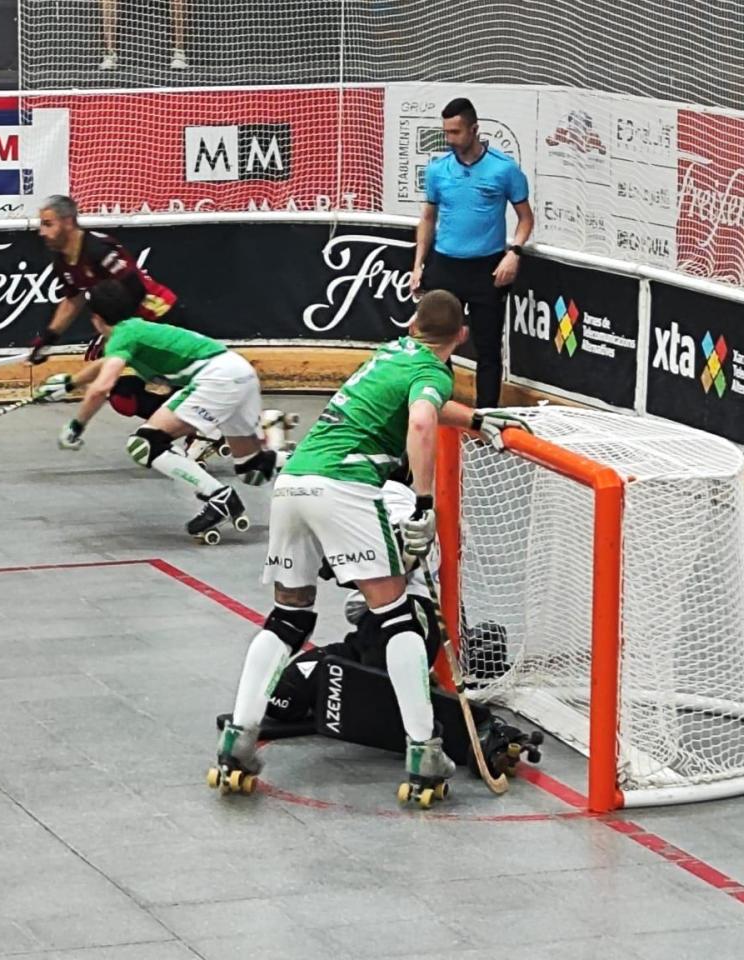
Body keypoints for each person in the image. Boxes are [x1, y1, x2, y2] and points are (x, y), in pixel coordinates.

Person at [209, 289, 530, 807]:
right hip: (346, 485)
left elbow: (415, 402)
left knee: (289, 618)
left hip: (294, 483)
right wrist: (424, 505)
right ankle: (424, 750)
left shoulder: (391, 353)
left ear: (412, 324)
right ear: (462, 337)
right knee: (396, 614)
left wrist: (469, 419)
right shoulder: (434, 369)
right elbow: (422, 419)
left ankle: (238, 740)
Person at [217, 476, 542, 780]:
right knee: (282, 701)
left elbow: (404, 550)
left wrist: (394, 546)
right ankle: (417, 717)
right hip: (372, 628)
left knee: (357, 686)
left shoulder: (392, 495)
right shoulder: (350, 492)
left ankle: (478, 734)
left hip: (407, 619)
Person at [45, 278, 279, 542]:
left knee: (145, 444)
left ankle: (218, 497)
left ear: (96, 319)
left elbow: (102, 387)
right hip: (239, 371)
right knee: (253, 468)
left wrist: (76, 426)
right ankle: (306, 465)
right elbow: (105, 365)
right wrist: (70, 383)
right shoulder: (134, 329)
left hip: (216, 379)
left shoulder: (122, 336)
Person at [410, 97, 534, 409]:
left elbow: (525, 218)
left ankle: (486, 418)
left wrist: (514, 252)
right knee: (436, 345)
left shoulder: (505, 170)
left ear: (474, 129)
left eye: (456, 132)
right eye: (446, 133)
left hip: (487, 270)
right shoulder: (438, 170)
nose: (450, 140)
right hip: (445, 267)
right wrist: (418, 266)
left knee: (488, 349)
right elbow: (427, 219)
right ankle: (442, 410)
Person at [30, 195, 180, 365]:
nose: (42, 232)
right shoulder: (61, 259)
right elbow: (73, 299)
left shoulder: (98, 250)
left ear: (68, 222)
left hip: (159, 315)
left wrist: (112, 333)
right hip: (131, 325)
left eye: (48, 224)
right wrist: (48, 339)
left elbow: (135, 289)